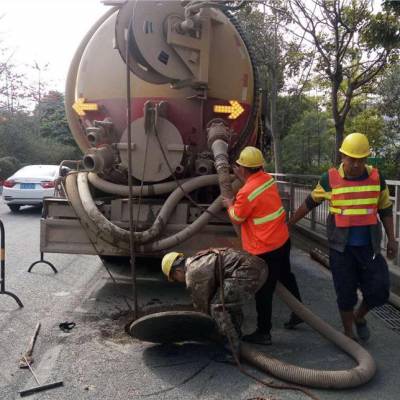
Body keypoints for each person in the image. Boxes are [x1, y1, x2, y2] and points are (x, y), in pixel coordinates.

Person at [289, 132, 397, 341]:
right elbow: (310, 202)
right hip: (341, 249)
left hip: (369, 248)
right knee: (345, 292)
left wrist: (392, 239)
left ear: (366, 158)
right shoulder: (329, 179)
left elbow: (385, 209)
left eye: (361, 159)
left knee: (380, 289)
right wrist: (290, 223)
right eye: (351, 159)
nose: (356, 164)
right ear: (342, 156)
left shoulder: (376, 177)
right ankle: (348, 333)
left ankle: (359, 317)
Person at [222, 146, 303, 345]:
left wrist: (229, 204)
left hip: (265, 248)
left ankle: (264, 332)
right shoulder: (267, 180)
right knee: (286, 276)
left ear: (242, 169)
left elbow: (238, 217)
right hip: (282, 240)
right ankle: (298, 311)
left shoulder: (246, 192)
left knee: (263, 291)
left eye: (239, 166)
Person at [161, 248, 268, 354]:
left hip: (249, 272)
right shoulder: (197, 260)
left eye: (174, 278)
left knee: (217, 306)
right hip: (259, 266)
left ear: (177, 271)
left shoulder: (193, 273)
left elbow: (202, 307)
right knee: (227, 301)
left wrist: (198, 332)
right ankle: (235, 336)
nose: (177, 281)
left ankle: (232, 350)